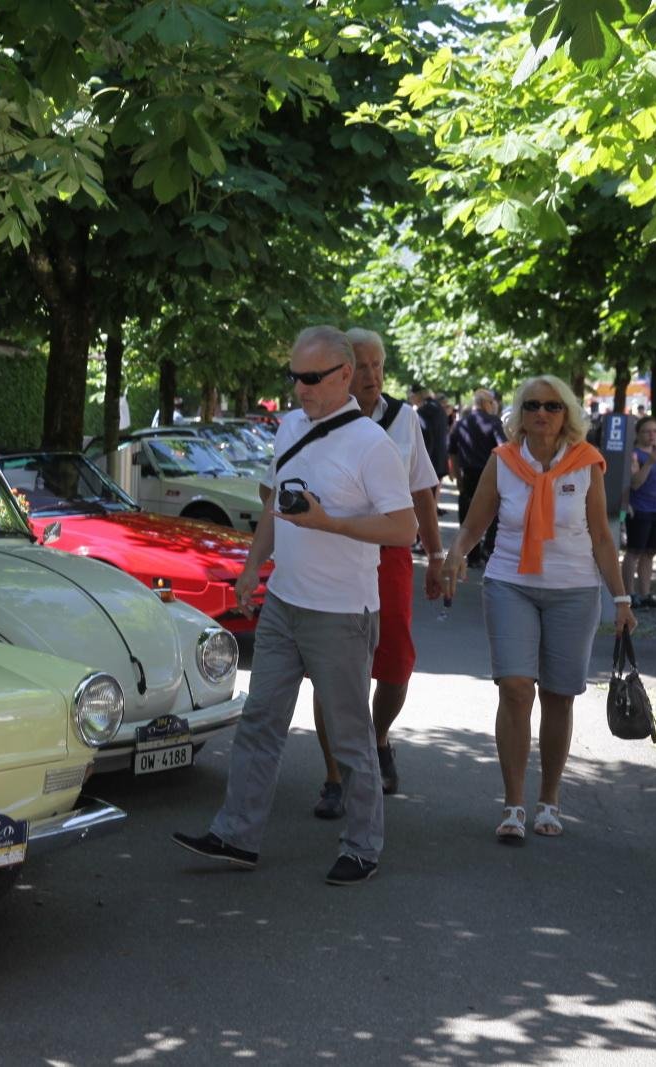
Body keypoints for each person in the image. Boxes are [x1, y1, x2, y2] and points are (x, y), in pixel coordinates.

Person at [172, 326, 415, 886]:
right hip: (284, 603)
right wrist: (253, 567)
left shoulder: (371, 444)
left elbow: (403, 529)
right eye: (294, 377)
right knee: (260, 721)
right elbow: (275, 510)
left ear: (344, 375)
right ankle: (237, 835)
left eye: (311, 378)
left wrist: (331, 522)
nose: (300, 388)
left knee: (351, 736)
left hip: (342, 614)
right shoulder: (289, 428)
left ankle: (363, 846)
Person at [443, 375, 637, 844]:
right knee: (514, 688)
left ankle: (549, 798)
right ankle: (513, 804)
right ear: (520, 413)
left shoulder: (586, 463)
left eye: (552, 406)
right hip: (511, 584)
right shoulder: (503, 461)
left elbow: (602, 537)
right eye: (532, 405)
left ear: (566, 413)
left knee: (557, 694)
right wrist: (456, 554)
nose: (542, 414)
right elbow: (474, 523)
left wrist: (621, 598)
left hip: (574, 590)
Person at [307, 330, 444, 817]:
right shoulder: (319, 418)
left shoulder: (404, 418)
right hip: (335, 552)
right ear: (343, 372)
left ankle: (377, 737)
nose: (372, 375)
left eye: (378, 365)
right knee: (334, 669)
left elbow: (422, 490)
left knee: (396, 663)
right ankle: (334, 777)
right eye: (362, 366)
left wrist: (437, 554)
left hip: (391, 554)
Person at [448, 388, 507, 566]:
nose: (494, 406)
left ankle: (471, 555)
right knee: (494, 512)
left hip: (468, 474)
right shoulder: (494, 422)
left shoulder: (461, 423)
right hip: (489, 474)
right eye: (492, 402)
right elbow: (504, 449)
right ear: (485, 403)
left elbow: (452, 452)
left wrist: (457, 476)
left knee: (467, 513)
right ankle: (487, 549)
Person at [622, 416, 656, 609]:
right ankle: (629, 593)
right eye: (647, 431)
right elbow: (635, 483)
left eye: (655, 431)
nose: (651, 435)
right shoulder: (634, 455)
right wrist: (649, 463)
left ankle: (645, 593)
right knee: (634, 551)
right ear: (638, 434)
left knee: (649, 553)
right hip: (639, 507)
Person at [409, 384, 450, 481]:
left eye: (411, 396)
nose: (410, 399)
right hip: (440, 461)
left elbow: (425, 438)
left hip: (430, 463)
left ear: (417, 395)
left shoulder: (424, 411)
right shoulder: (438, 407)